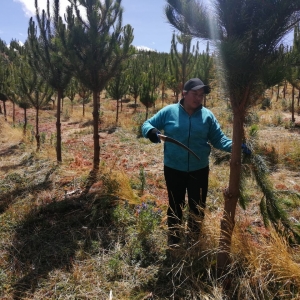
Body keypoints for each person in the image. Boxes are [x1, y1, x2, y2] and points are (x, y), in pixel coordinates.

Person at [142, 78, 233, 247]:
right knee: (175, 204)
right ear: (184, 93)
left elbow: (219, 139)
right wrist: (151, 132)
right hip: (173, 168)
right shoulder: (169, 111)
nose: (198, 98)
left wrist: (237, 147)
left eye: (201, 95)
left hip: (199, 170)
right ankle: (174, 240)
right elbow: (147, 124)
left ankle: (193, 240)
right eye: (194, 93)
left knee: (197, 207)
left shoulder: (207, 116)